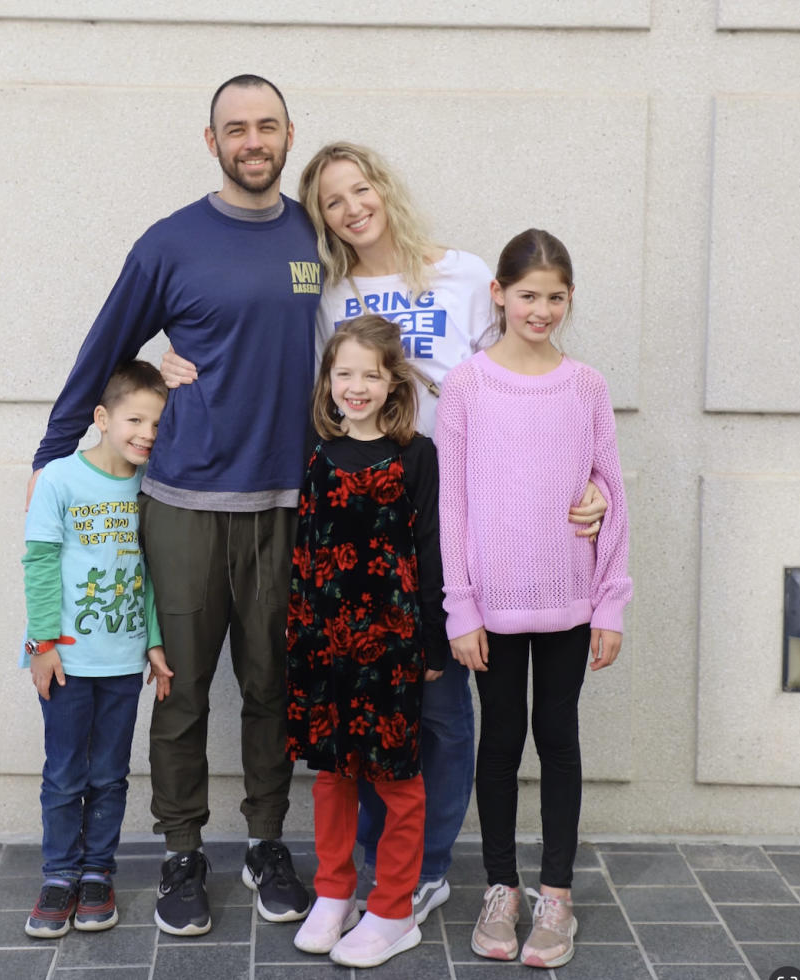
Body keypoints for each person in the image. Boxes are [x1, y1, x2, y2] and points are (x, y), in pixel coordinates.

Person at [161, 141, 609, 924]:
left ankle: (428, 867)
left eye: (358, 189)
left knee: (439, 703)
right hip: (363, 521)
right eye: (331, 201)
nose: (350, 208)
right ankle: (373, 870)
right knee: (364, 703)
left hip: (454, 510)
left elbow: (522, 383)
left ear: (383, 187)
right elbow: (278, 364)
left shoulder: (468, 275)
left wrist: (592, 486)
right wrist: (178, 358)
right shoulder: (325, 291)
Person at [27, 74, 320, 937]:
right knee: (182, 690)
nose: (253, 140)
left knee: (271, 688)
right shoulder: (169, 243)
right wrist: (53, 456)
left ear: (289, 134)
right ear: (212, 141)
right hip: (185, 502)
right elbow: (107, 349)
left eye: (267, 126)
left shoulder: (314, 233)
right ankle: (183, 852)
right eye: (237, 128)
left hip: (285, 503)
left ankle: (266, 841)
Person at [435, 229, 632, 969]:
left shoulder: (585, 385)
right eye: (527, 296)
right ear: (499, 296)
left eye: (555, 297)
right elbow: (453, 504)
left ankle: (557, 898)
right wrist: (461, 608)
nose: (541, 310)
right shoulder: (468, 386)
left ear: (569, 299)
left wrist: (610, 601)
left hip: (569, 603)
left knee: (559, 740)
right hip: (492, 604)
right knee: (499, 742)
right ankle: (500, 889)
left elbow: (610, 487)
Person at [286, 314, 445, 968]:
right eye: (343, 373)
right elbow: (301, 545)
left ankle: (394, 908)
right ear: (328, 380)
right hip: (324, 640)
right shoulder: (315, 450)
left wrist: (433, 642)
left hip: (391, 644)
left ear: (392, 383)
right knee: (332, 775)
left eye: (369, 375)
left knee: (397, 780)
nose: (355, 386)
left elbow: (430, 550)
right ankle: (334, 891)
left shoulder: (416, 455)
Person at [22, 360, 173, 939]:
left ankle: (96, 874)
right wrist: (42, 644)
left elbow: (156, 572)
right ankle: (59, 875)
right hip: (64, 659)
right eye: (136, 419)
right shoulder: (60, 478)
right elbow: (37, 562)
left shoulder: (153, 486)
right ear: (103, 418)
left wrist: (155, 643)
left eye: (158, 424)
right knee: (65, 773)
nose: (147, 434)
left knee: (109, 775)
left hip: (122, 659)